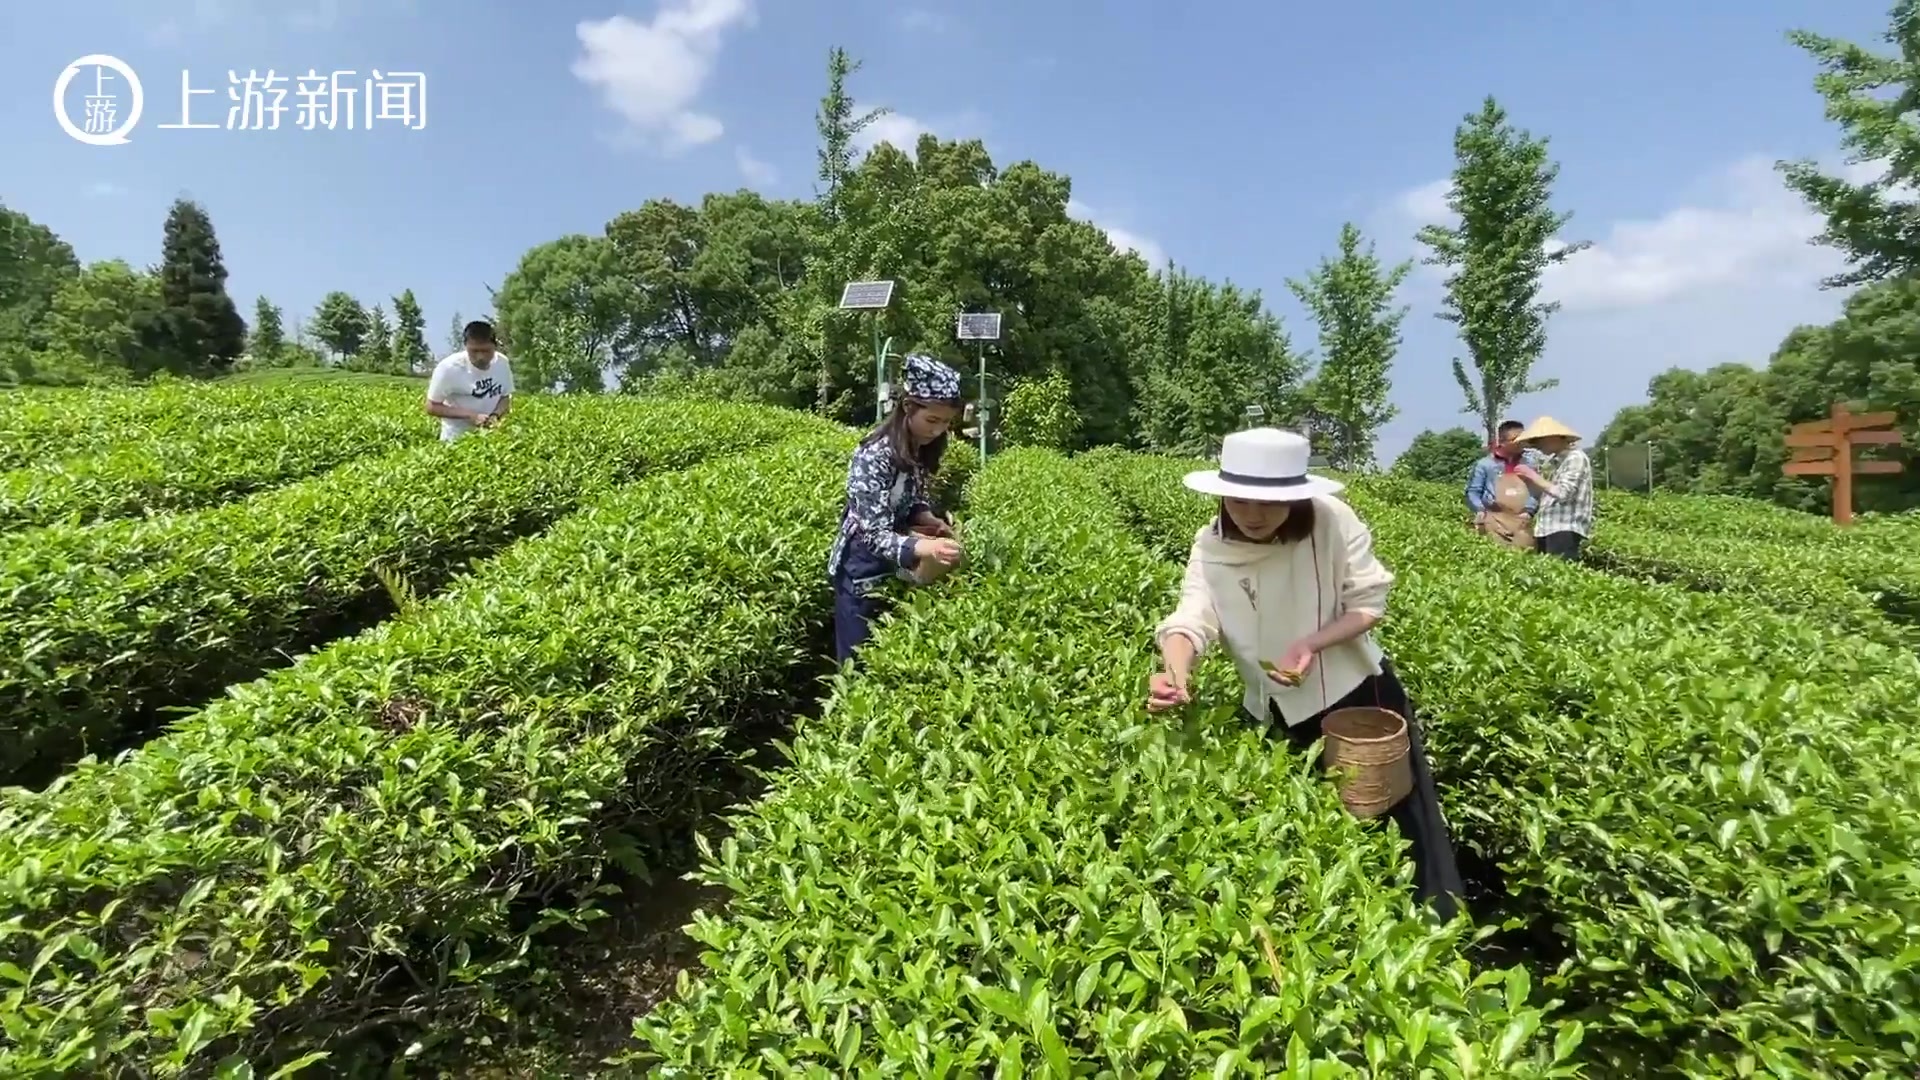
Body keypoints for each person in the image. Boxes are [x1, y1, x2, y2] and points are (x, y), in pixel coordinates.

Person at [1147, 427, 1464, 921]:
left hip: (1354, 701)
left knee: (1398, 830)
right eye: (1239, 499)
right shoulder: (1211, 542)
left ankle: (1433, 939)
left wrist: (1312, 643)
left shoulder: (1330, 521)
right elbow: (1191, 618)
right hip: (1275, 710)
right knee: (1317, 845)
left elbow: (1368, 603)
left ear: (1295, 498)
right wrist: (1175, 671)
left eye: (1269, 503)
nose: (1252, 514)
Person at [827, 354, 967, 663]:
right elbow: (873, 534)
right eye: (932, 420)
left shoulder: (917, 447)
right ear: (908, 408)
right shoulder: (873, 456)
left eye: (946, 423)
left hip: (894, 565)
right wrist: (925, 548)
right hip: (860, 572)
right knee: (857, 666)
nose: (938, 430)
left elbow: (910, 499)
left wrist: (927, 518)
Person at [1510, 416, 1594, 561]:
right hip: (1547, 528)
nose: (1537, 447)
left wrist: (1532, 475)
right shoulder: (1556, 462)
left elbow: (1563, 493)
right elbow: (1546, 494)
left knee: (1562, 574)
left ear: (1554, 437)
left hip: (1564, 528)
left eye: (1539, 441)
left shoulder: (1575, 458)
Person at [426, 320, 515, 441]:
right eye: (474, 351)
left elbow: (505, 398)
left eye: (486, 351)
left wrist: (495, 416)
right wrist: (470, 415)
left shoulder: (502, 363)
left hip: (491, 439)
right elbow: (431, 407)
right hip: (456, 441)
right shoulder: (449, 368)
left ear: (495, 346)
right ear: (465, 346)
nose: (480, 357)